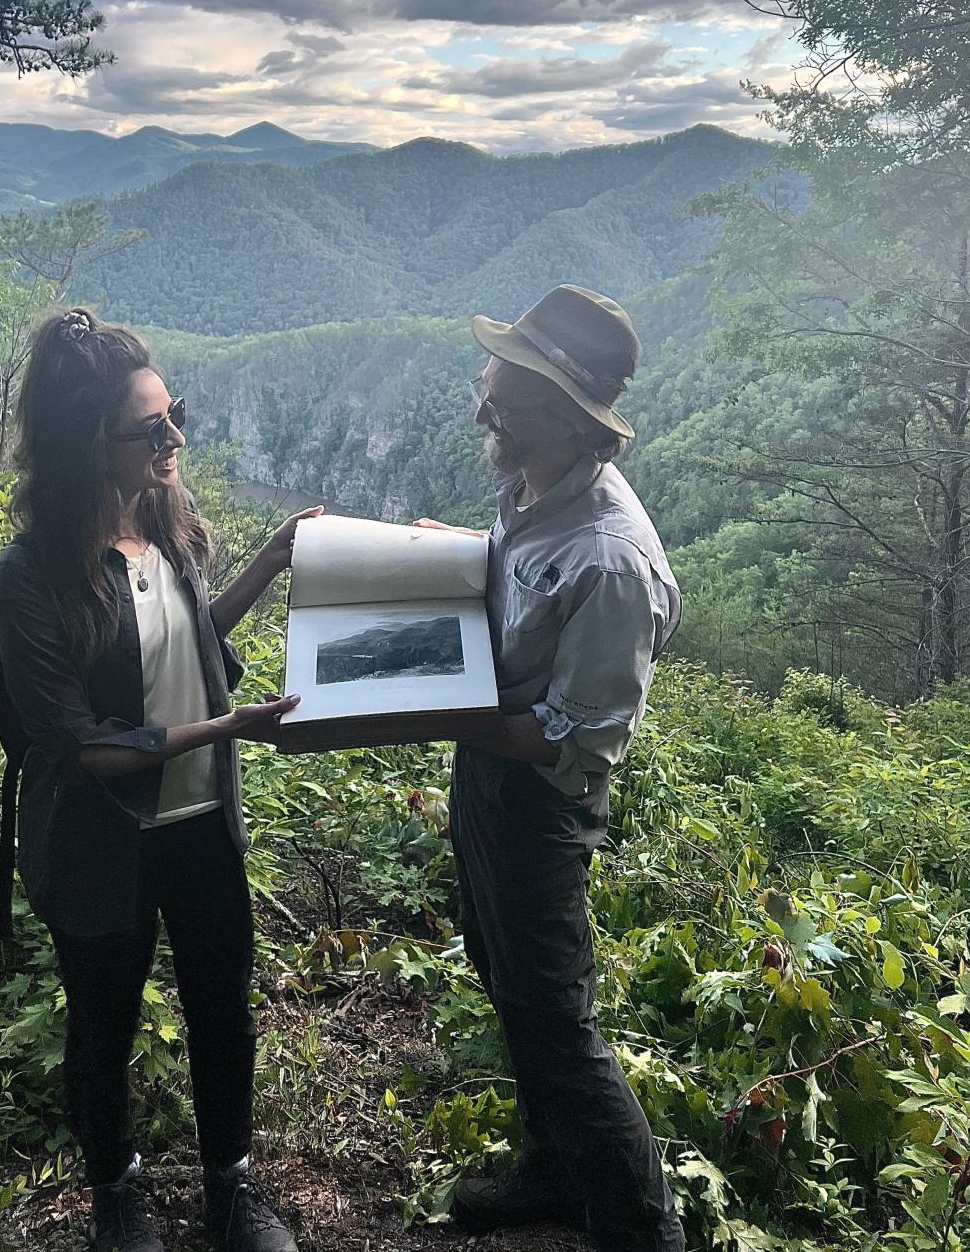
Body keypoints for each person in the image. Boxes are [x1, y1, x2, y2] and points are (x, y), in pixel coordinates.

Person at [0, 307, 321, 1252]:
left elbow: (190, 637)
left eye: (172, 410)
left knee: (224, 1005)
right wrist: (230, 726)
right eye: (150, 427)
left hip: (201, 820)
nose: (174, 435)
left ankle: (232, 1185)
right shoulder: (35, 578)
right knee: (103, 1025)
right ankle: (117, 1193)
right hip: (103, 840)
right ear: (88, 446)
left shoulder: (164, 519)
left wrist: (269, 558)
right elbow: (79, 747)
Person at [416, 284, 686, 1252]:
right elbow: (509, 581)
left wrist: (431, 709)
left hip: (539, 804)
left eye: (510, 401)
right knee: (504, 974)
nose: (486, 410)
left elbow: (577, 739)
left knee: (559, 1026)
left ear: (574, 422)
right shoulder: (533, 481)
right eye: (491, 387)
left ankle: (640, 1231)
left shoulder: (615, 563)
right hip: (488, 778)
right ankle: (548, 1172)